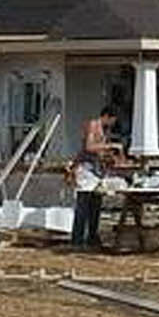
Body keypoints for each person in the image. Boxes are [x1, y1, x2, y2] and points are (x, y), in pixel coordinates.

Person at [69, 106, 121, 248]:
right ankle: (77, 239)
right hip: (85, 169)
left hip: (96, 171)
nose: (112, 125)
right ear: (107, 116)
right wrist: (109, 146)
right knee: (83, 206)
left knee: (95, 205)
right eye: (112, 121)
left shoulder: (105, 131)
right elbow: (89, 147)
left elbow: (100, 152)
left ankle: (93, 237)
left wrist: (110, 157)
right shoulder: (93, 125)